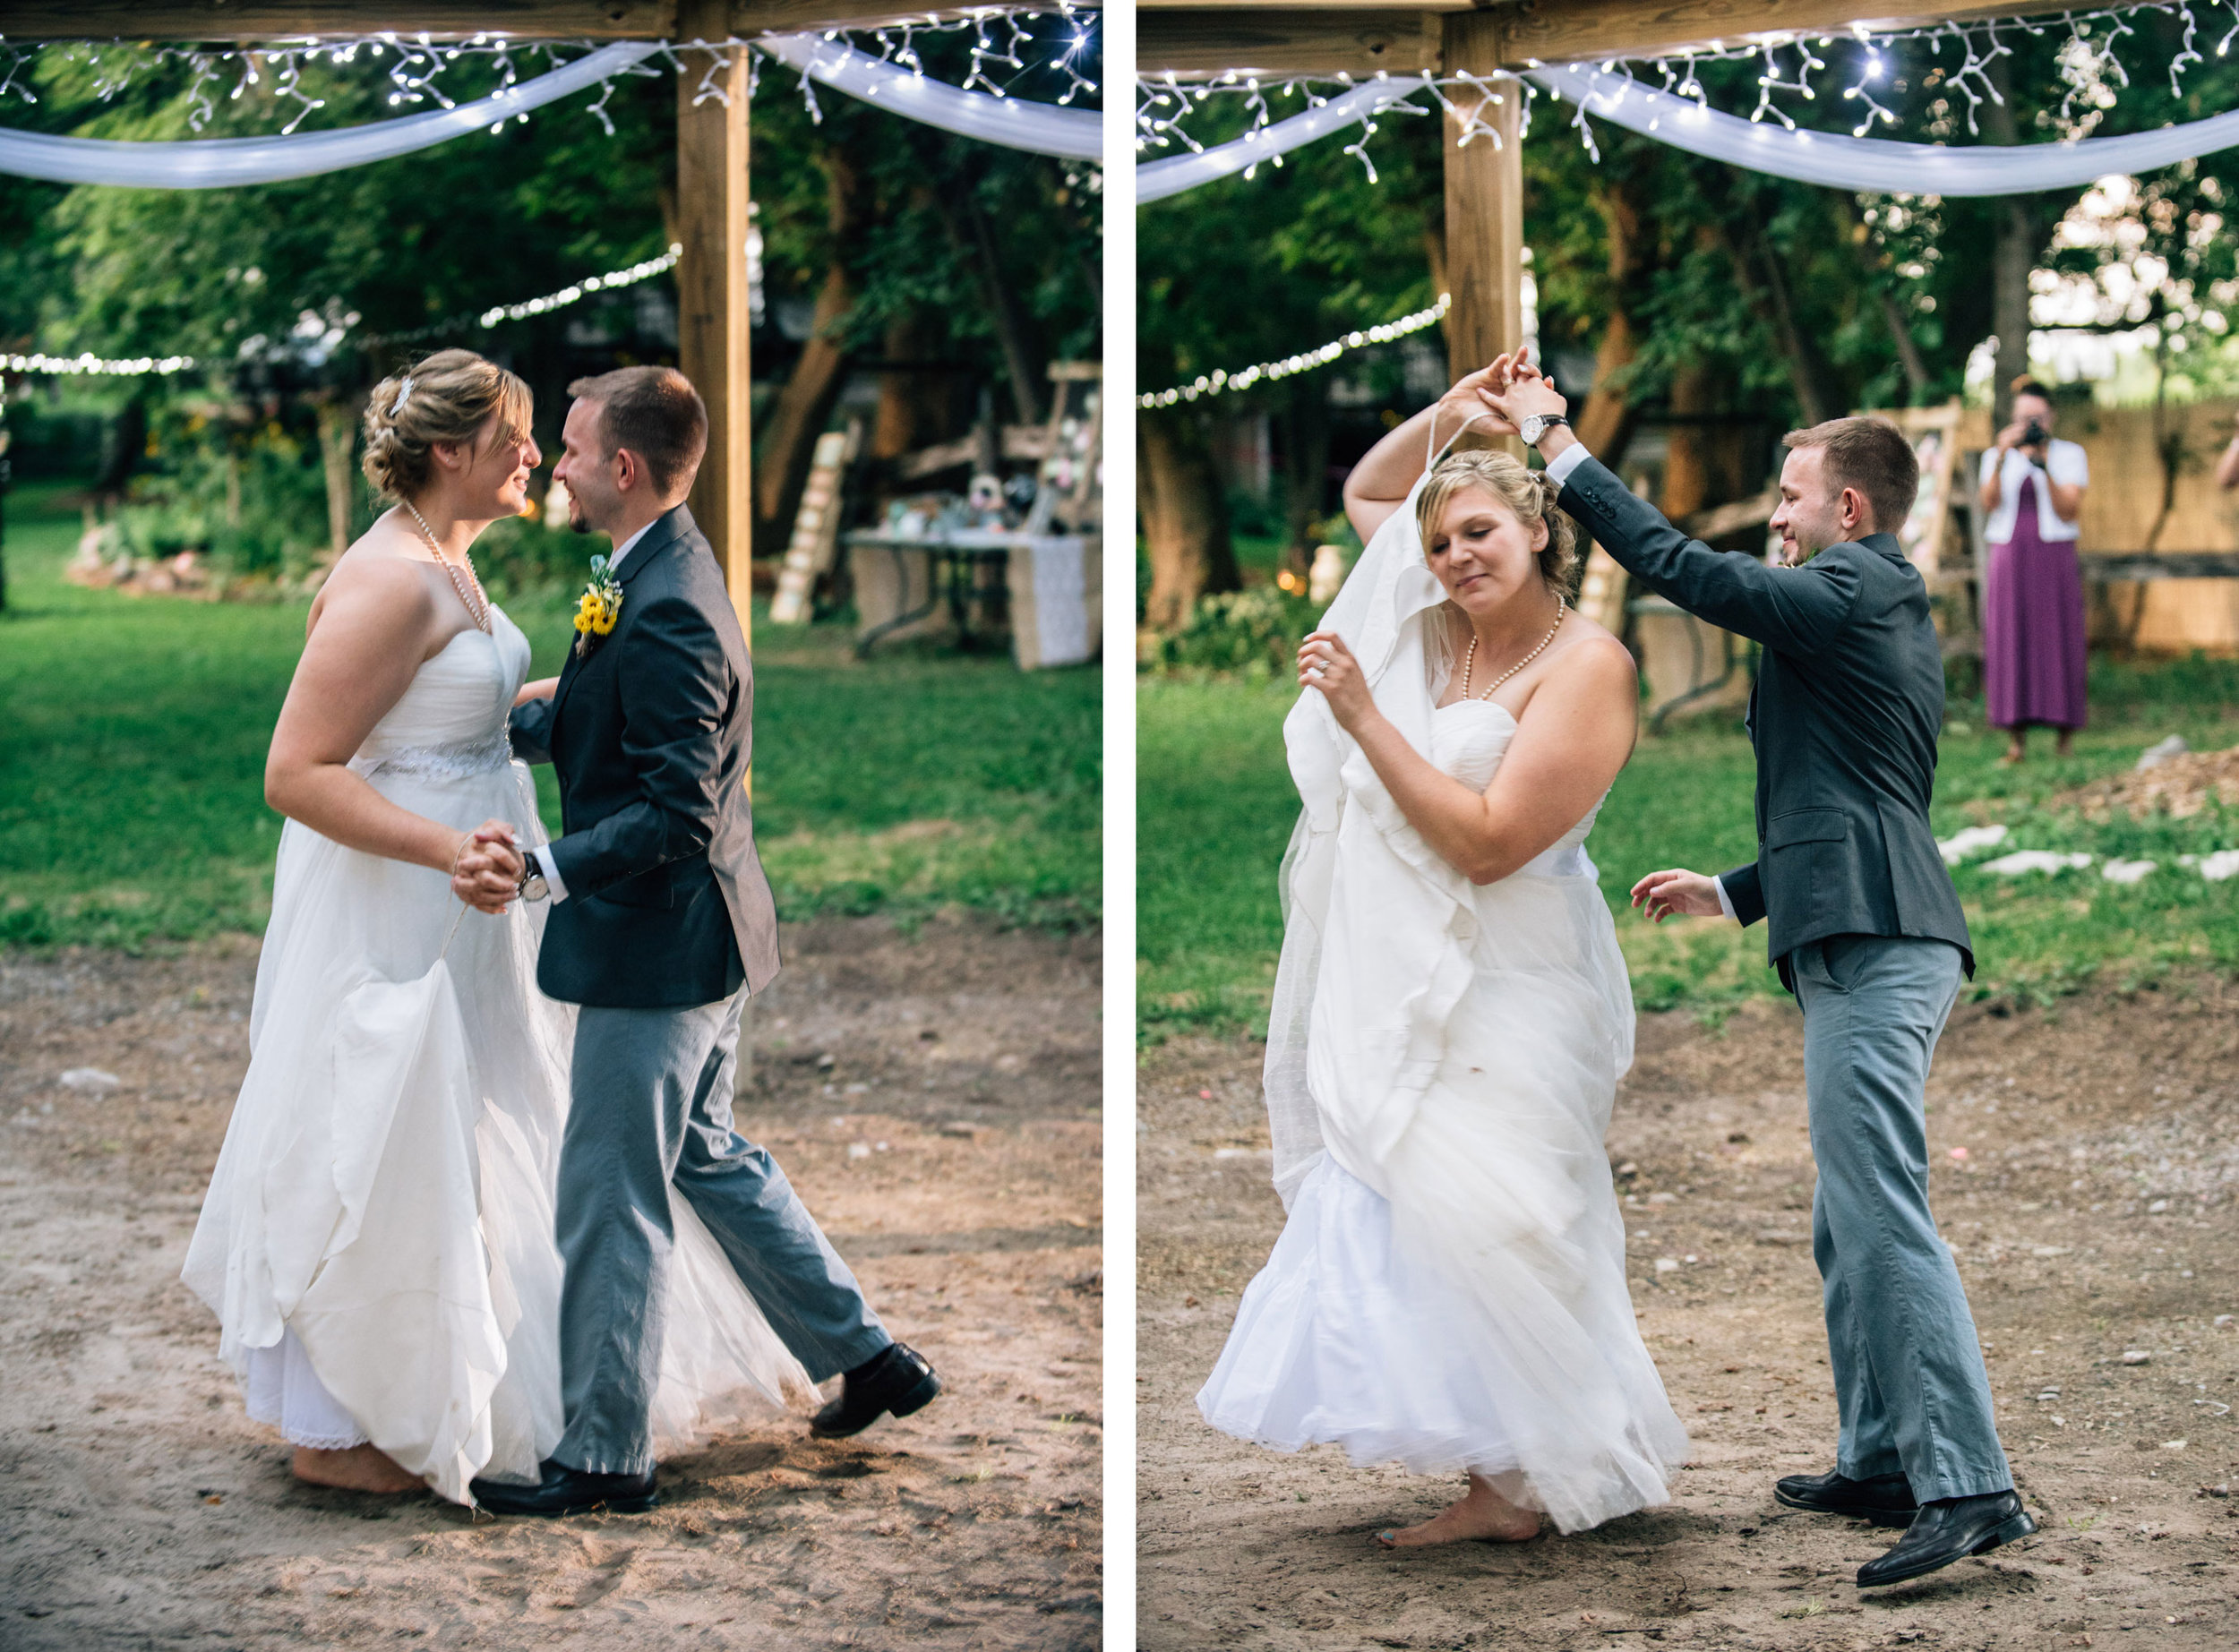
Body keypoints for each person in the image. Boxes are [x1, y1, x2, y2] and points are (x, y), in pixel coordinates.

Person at [184, 350, 812, 1504]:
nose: (537, 456)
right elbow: (294, 770)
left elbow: (462, 710)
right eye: (517, 438)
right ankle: (341, 1420)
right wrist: (451, 852)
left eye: (548, 438)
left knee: (481, 1128)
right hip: (411, 894)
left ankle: (466, 1384)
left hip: (489, 892)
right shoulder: (392, 580)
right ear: (447, 454)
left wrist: (557, 717)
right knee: (388, 1128)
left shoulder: (453, 566)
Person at [1478, 347, 2034, 1588]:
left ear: (1848, 507)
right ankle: (1882, 1457)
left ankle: (1970, 1483)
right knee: (1850, 1218)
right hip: (1859, 927)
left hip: (1883, 944)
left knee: (1883, 1209)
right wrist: (1733, 891)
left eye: (1788, 496)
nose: (1772, 515)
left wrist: (1556, 449)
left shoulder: (1852, 584)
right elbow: (1849, 800)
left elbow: (1681, 570)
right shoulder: (1859, 603)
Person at [1196, 366, 1689, 1546]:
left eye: (1481, 531)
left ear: (1536, 529)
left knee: (1509, 1215)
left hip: (1515, 970)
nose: (1458, 556)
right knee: (1409, 1208)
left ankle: (1534, 1470)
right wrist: (1457, 408)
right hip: (1401, 965)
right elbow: (1373, 490)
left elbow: (1490, 843)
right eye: (1441, 541)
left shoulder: (1590, 667)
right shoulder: (1433, 637)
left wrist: (1367, 718)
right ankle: (1496, 1471)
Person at [455, 366, 938, 1518]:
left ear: (621, 468)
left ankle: (605, 1458)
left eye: (568, 449)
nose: (553, 464)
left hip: (660, 951)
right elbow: (622, 719)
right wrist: (519, 721)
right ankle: (869, 1357)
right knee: (704, 1154)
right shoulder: (654, 567)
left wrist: (543, 868)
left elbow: (678, 811)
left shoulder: (664, 602)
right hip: (706, 935)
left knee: (608, 1190)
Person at [1978, 378, 2089, 764]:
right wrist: (2000, 456)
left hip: (2053, 556)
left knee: (2059, 636)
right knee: (2012, 637)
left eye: (2036, 417)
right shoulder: (1997, 455)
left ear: (2051, 418)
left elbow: (2069, 509)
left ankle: (2064, 738)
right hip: (2010, 555)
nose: (2030, 424)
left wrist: (2042, 465)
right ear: (2012, 419)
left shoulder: (2070, 454)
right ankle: (2016, 740)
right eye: (2023, 418)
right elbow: (1989, 503)